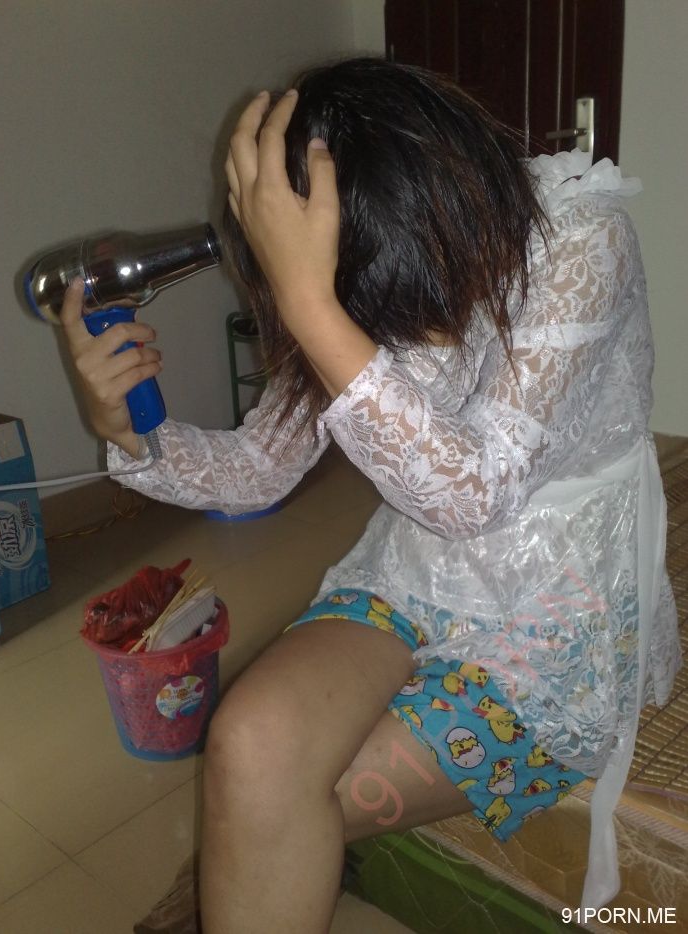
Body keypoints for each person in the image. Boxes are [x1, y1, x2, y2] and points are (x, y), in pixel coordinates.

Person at [61, 58, 678, 933]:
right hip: (414, 573)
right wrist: (131, 432)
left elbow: (476, 492)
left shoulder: (583, 242)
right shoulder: (352, 259)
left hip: (553, 611)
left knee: (276, 807)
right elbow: (259, 468)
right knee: (248, 747)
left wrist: (312, 304)